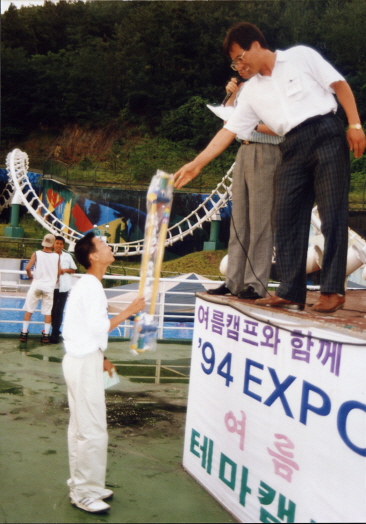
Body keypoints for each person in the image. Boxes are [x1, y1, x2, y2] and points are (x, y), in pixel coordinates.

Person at [175, 21, 365, 314]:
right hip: (290, 144)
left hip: (326, 132)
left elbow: (339, 84)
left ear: (255, 45)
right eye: (233, 62)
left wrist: (354, 124)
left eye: (240, 57)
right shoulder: (250, 92)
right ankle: (290, 291)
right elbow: (229, 131)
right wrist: (197, 163)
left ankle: (332, 290)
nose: (238, 66)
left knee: (332, 215)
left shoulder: (300, 56)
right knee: (284, 214)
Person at [62, 231, 145, 513]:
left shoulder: (87, 285)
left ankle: (86, 486)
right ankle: (84, 492)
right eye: (104, 245)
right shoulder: (92, 287)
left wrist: (102, 357)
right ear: (93, 256)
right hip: (82, 364)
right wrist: (131, 310)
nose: (110, 247)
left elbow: (84, 330)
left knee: (81, 429)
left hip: (82, 360)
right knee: (92, 430)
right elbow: (99, 328)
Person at [208, 76, 282, 299]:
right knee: (239, 221)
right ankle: (233, 282)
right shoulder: (245, 89)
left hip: (267, 152)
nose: (239, 68)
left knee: (261, 222)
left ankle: (256, 284)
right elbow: (228, 123)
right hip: (244, 150)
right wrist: (232, 93)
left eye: (241, 60)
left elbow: (280, 127)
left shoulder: (276, 87)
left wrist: (248, 124)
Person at [20, 233, 60, 343]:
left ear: (43, 242)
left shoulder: (37, 254)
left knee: (29, 310)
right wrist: (55, 279)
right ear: (52, 244)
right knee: (47, 312)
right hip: (49, 287)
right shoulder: (57, 256)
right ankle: (46, 335)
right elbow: (59, 272)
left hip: (36, 285)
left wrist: (30, 278)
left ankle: (24, 333)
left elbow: (28, 268)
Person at [50, 236, 77, 344]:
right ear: (53, 244)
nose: (59, 246)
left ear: (63, 245)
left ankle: (55, 333)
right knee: (52, 310)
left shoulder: (67, 256)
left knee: (59, 310)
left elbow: (73, 270)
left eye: (61, 244)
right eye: (57, 243)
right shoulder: (50, 256)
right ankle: (53, 330)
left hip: (64, 287)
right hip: (52, 287)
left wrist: (64, 270)